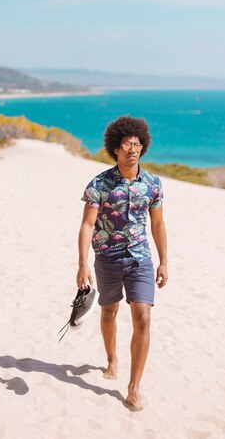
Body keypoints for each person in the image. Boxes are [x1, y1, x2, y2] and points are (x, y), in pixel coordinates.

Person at [76, 116, 168, 410]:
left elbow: (158, 224)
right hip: (107, 259)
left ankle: (134, 387)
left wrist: (164, 261)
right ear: (116, 149)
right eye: (127, 144)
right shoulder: (100, 183)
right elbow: (87, 225)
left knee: (143, 318)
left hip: (140, 258)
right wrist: (83, 264)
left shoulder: (153, 184)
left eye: (137, 144)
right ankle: (111, 358)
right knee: (109, 313)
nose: (132, 148)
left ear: (143, 147)